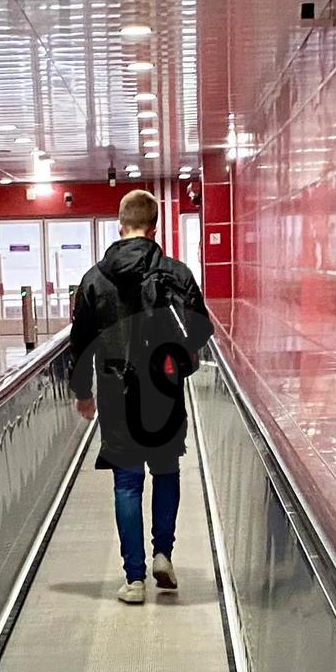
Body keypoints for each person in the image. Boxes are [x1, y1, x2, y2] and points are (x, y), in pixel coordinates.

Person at [64, 190, 215, 605]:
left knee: (127, 483)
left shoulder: (94, 279)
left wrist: (82, 392)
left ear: (119, 225)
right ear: (155, 227)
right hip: (164, 390)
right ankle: (163, 552)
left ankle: (134, 580)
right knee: (166, 471)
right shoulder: (177, 273)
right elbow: (202, 329)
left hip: (115, 393)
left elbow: (80, 343)